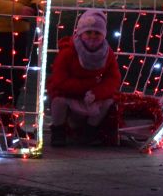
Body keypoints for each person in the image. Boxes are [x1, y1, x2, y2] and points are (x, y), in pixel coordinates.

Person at [47, 9, 121, 146]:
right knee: (58, 101)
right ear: (80, 33)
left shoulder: (107, 53)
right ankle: (58, 132)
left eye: (97, 33)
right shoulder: (68, 52)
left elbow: (113, 79)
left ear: (103, 34)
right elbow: (59, 80)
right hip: (68, 93)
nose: (93, 36)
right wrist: (89, 85)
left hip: (91, 95)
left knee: (108, 102)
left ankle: (89, 132)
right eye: (88, 32)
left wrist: (96, 93)